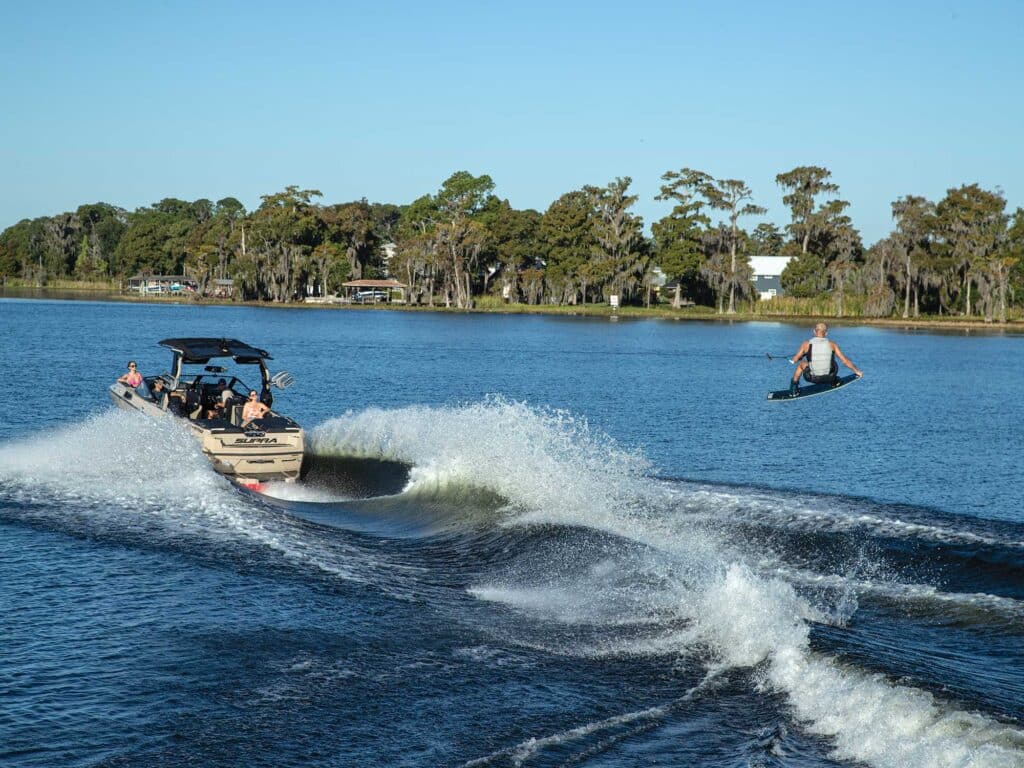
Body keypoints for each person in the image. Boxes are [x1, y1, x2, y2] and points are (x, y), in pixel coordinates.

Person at [788, 322, 862, 396]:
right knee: (833, 361)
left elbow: (795, 360)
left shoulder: (806, 344)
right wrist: (857, 371)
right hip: (830, 377)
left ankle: (794, 390)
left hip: (812, 378)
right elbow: (845, 361)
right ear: (826, 333)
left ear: (814, 331)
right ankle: (835, 381)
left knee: (802, 364)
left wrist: (800, 356)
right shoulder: (832, 344)